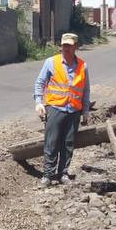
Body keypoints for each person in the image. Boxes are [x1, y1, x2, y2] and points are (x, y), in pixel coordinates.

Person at [34, 32, 91, 186]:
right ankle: (48, 175)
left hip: (73, 111)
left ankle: (63, 174)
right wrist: (39, 102)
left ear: (76, 47)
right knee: (51, 143)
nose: (66, 48)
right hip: (55, 108)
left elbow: (85, 90)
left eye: (69, 46)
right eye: (64, 45)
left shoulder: (82, 66)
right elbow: (40, 83)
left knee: (68, 144)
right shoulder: (51, 62)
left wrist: (85, 110)